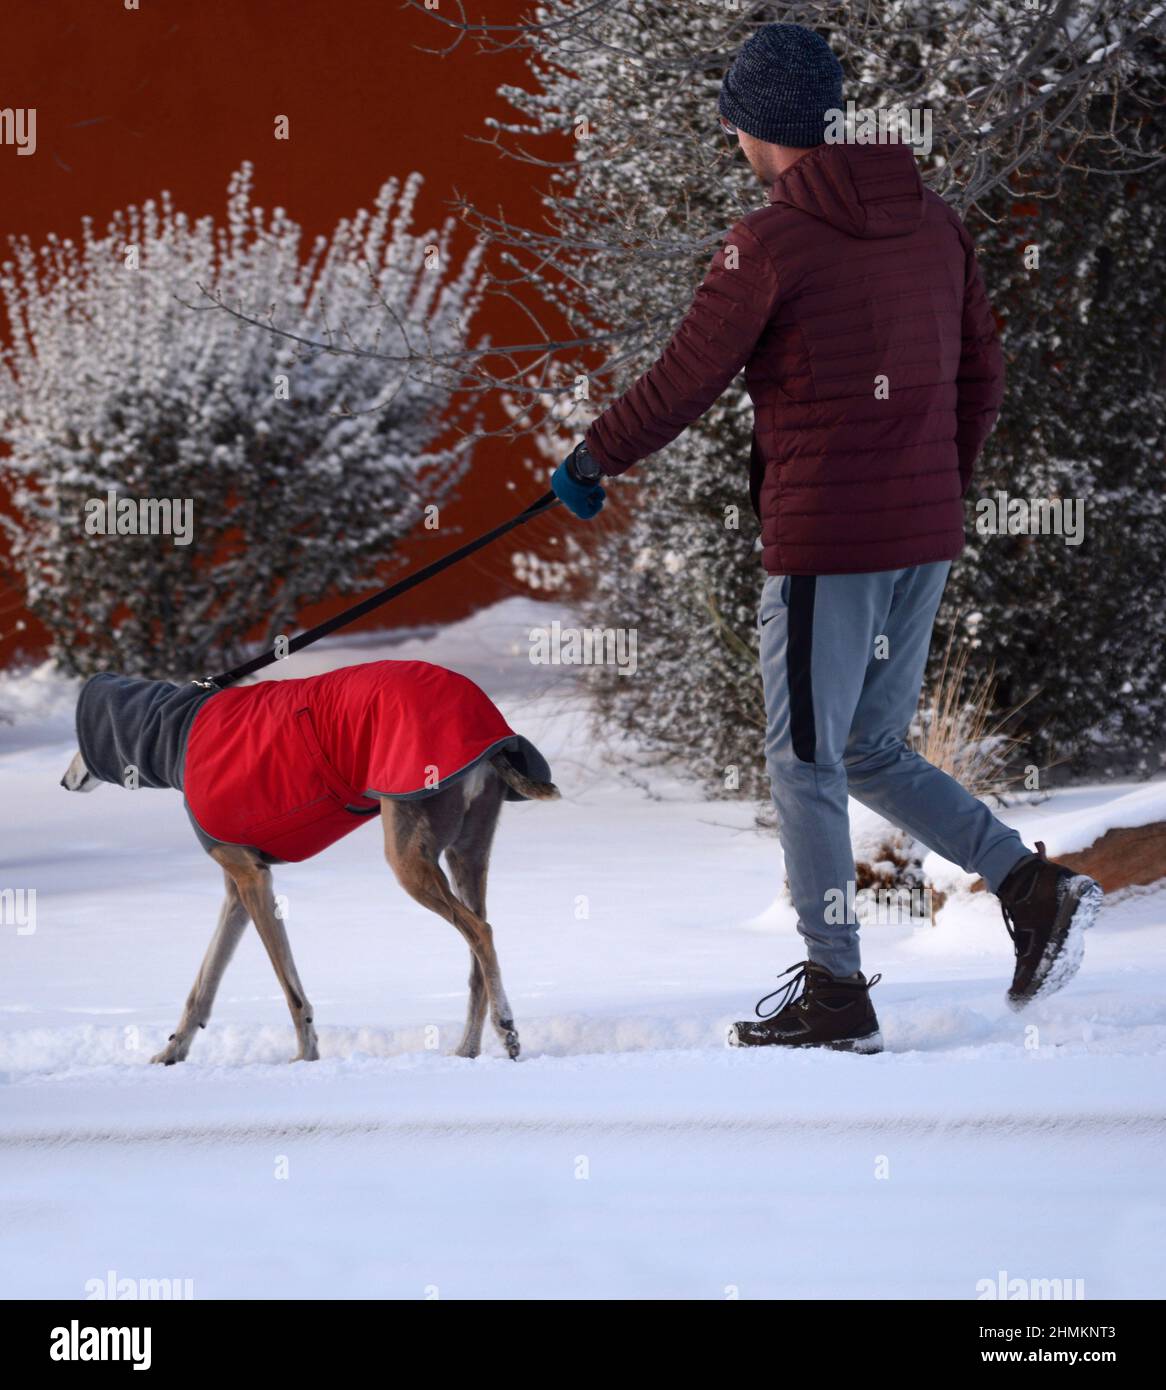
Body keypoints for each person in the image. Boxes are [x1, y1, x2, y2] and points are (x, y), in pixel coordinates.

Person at [550, 22, 1102, 1053]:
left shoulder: (767, 242)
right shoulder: (931, 222)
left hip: (825, 545)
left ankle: (836, 994)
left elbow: (684, 378)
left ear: (756, 125)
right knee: (864, 748)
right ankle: (1032, 888)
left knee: (806, 761)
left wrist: (590, 461)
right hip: (918, 533)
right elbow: (980, 374)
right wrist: (931, 485)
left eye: (733, 118)